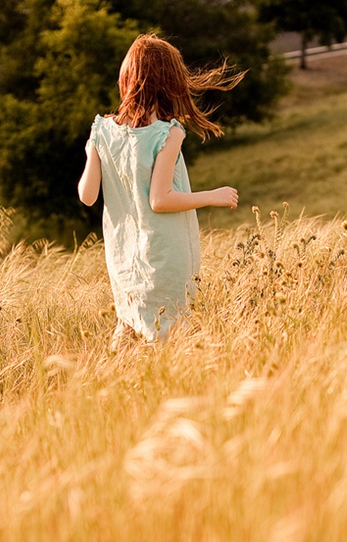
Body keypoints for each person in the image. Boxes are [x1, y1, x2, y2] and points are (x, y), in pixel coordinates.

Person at [78, 33, 244, 350]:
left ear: (127, 78)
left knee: (127, 322)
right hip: (164, 255)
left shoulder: (102, 130)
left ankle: (105, 389)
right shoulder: (168, 133)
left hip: (123, 257)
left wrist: (92, 150)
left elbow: (87, 196)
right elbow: (160, 199)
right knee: (168, 332)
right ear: (168, 82)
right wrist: (214, 195)